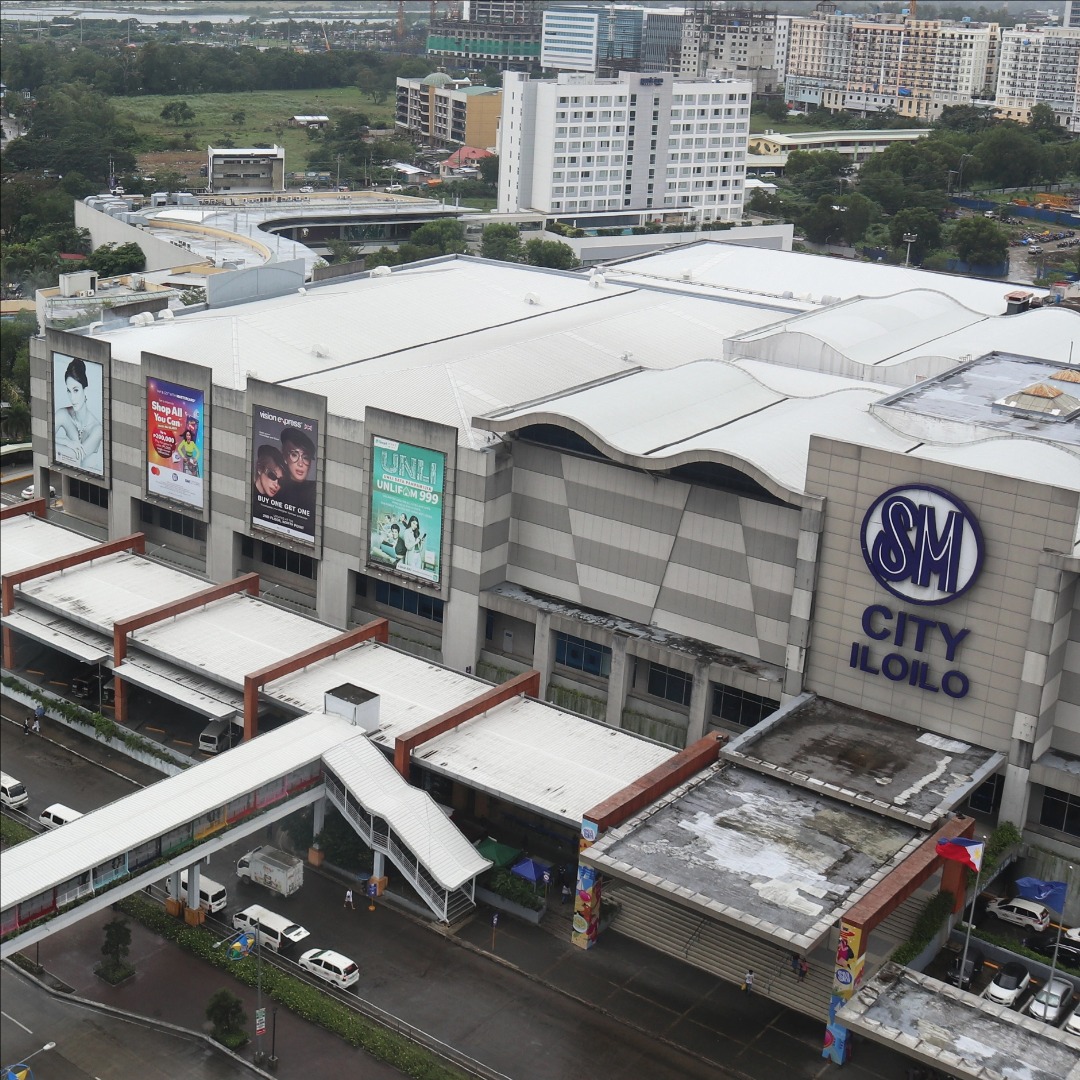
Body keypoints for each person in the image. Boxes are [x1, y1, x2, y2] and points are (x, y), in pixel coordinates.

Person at [54, 357, 103, 472]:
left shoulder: (97, 429)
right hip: (68, 475)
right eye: (69, 391)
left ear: (85, 390)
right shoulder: (63, 414)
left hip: (94, 483)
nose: (72, 397)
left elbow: (75, 457)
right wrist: (67, 442)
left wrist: (55, 442)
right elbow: (44, 437)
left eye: (76, 390)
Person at [279, 428, 316, 521]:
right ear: (284, 457)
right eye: (294, 455)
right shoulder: (274, 487)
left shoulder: (316, 490)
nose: (300, 463)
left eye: (306, 457)